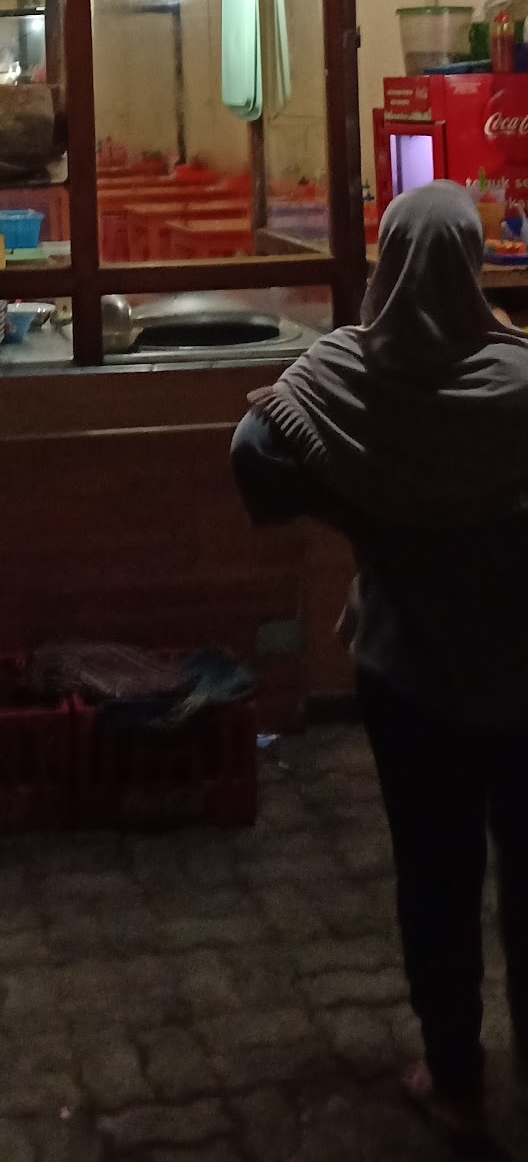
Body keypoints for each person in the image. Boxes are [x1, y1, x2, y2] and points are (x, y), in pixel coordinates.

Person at [231, 181, 528, 1145]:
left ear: (387, 263)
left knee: (434, 874)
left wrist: (357, 513)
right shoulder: (519, 380)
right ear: (474, 266)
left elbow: (254, 455)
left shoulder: (345, 374)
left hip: (412, 684)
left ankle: (454, 1077)